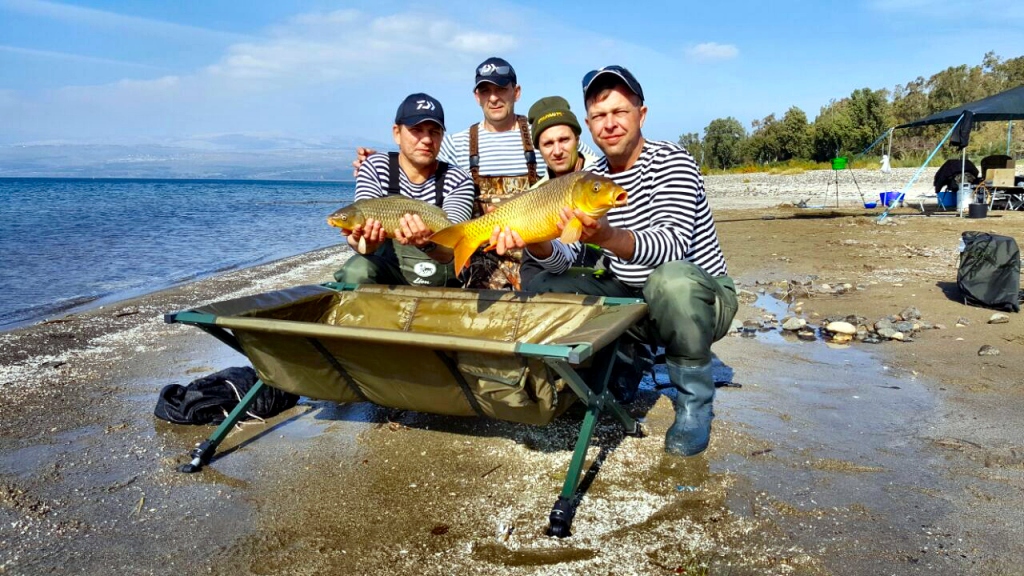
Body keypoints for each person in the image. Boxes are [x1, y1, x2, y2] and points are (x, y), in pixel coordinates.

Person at [492, 65, 738, 457]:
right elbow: (567, 256)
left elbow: (670, 247)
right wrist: (535, 245)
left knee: (670, 281)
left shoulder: (672, 161)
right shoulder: (592, 177)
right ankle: (623, 359)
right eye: (600, 116)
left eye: (620, 112)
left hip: (702, 299)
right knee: (551, 284)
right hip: (632, 297)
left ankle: (694, 402)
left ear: (641, 114)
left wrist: (606, 235)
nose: (610, 124)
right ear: (589, 125)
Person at [333, 93, 475, 287]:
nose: (426, 139)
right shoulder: (375, 166)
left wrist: (427, 243)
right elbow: (362, 247)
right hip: (391, 274)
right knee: (356, 270)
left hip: (442, 277)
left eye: (434, 132)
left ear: (442, 136)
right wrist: (366, 243)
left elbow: (451, 250)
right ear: (397, 133)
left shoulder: (458, 178)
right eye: (416, 130)